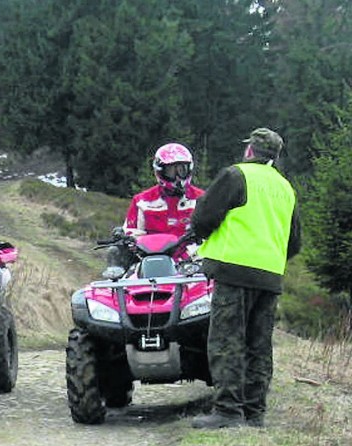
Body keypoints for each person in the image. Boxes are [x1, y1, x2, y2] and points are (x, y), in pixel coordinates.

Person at [190, 127, 301, 429]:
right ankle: (255, 412)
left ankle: (227, 411)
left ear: (250, 150)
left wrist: (201, 238)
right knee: (259, 345)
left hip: (234, 269)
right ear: (275, 157)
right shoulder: (285, 188)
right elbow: (294, 243)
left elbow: (204, 218)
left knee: (227, 340)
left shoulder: (235, 175)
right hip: (269, 276)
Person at [107, 143, 205, 269]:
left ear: (189, 169)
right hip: (150, 263)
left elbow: (214, 234)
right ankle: (116, 285)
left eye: (181, 170)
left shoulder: (201, 199)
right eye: (171, 171)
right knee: (115, 253)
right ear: (159, 172)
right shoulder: (142, 201)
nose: (177, 177)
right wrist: (127, 239)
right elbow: (133, 234)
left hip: (193, 262)